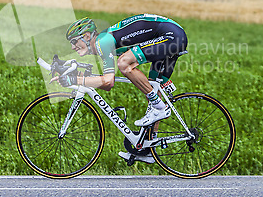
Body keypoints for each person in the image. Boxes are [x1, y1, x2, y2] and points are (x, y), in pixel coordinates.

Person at [56, 14, 188, 163]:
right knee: (150, 87)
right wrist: (72, 73)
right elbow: (103, 82)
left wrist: (74, 79)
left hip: (171, 36)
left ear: (86, 36)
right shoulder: (105, 43)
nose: (73, 47)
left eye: (74, 42)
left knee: (124, 63)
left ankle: (159, 107)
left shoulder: (102, 42)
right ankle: (149, 150)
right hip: (173, 35)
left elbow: (108, 82)